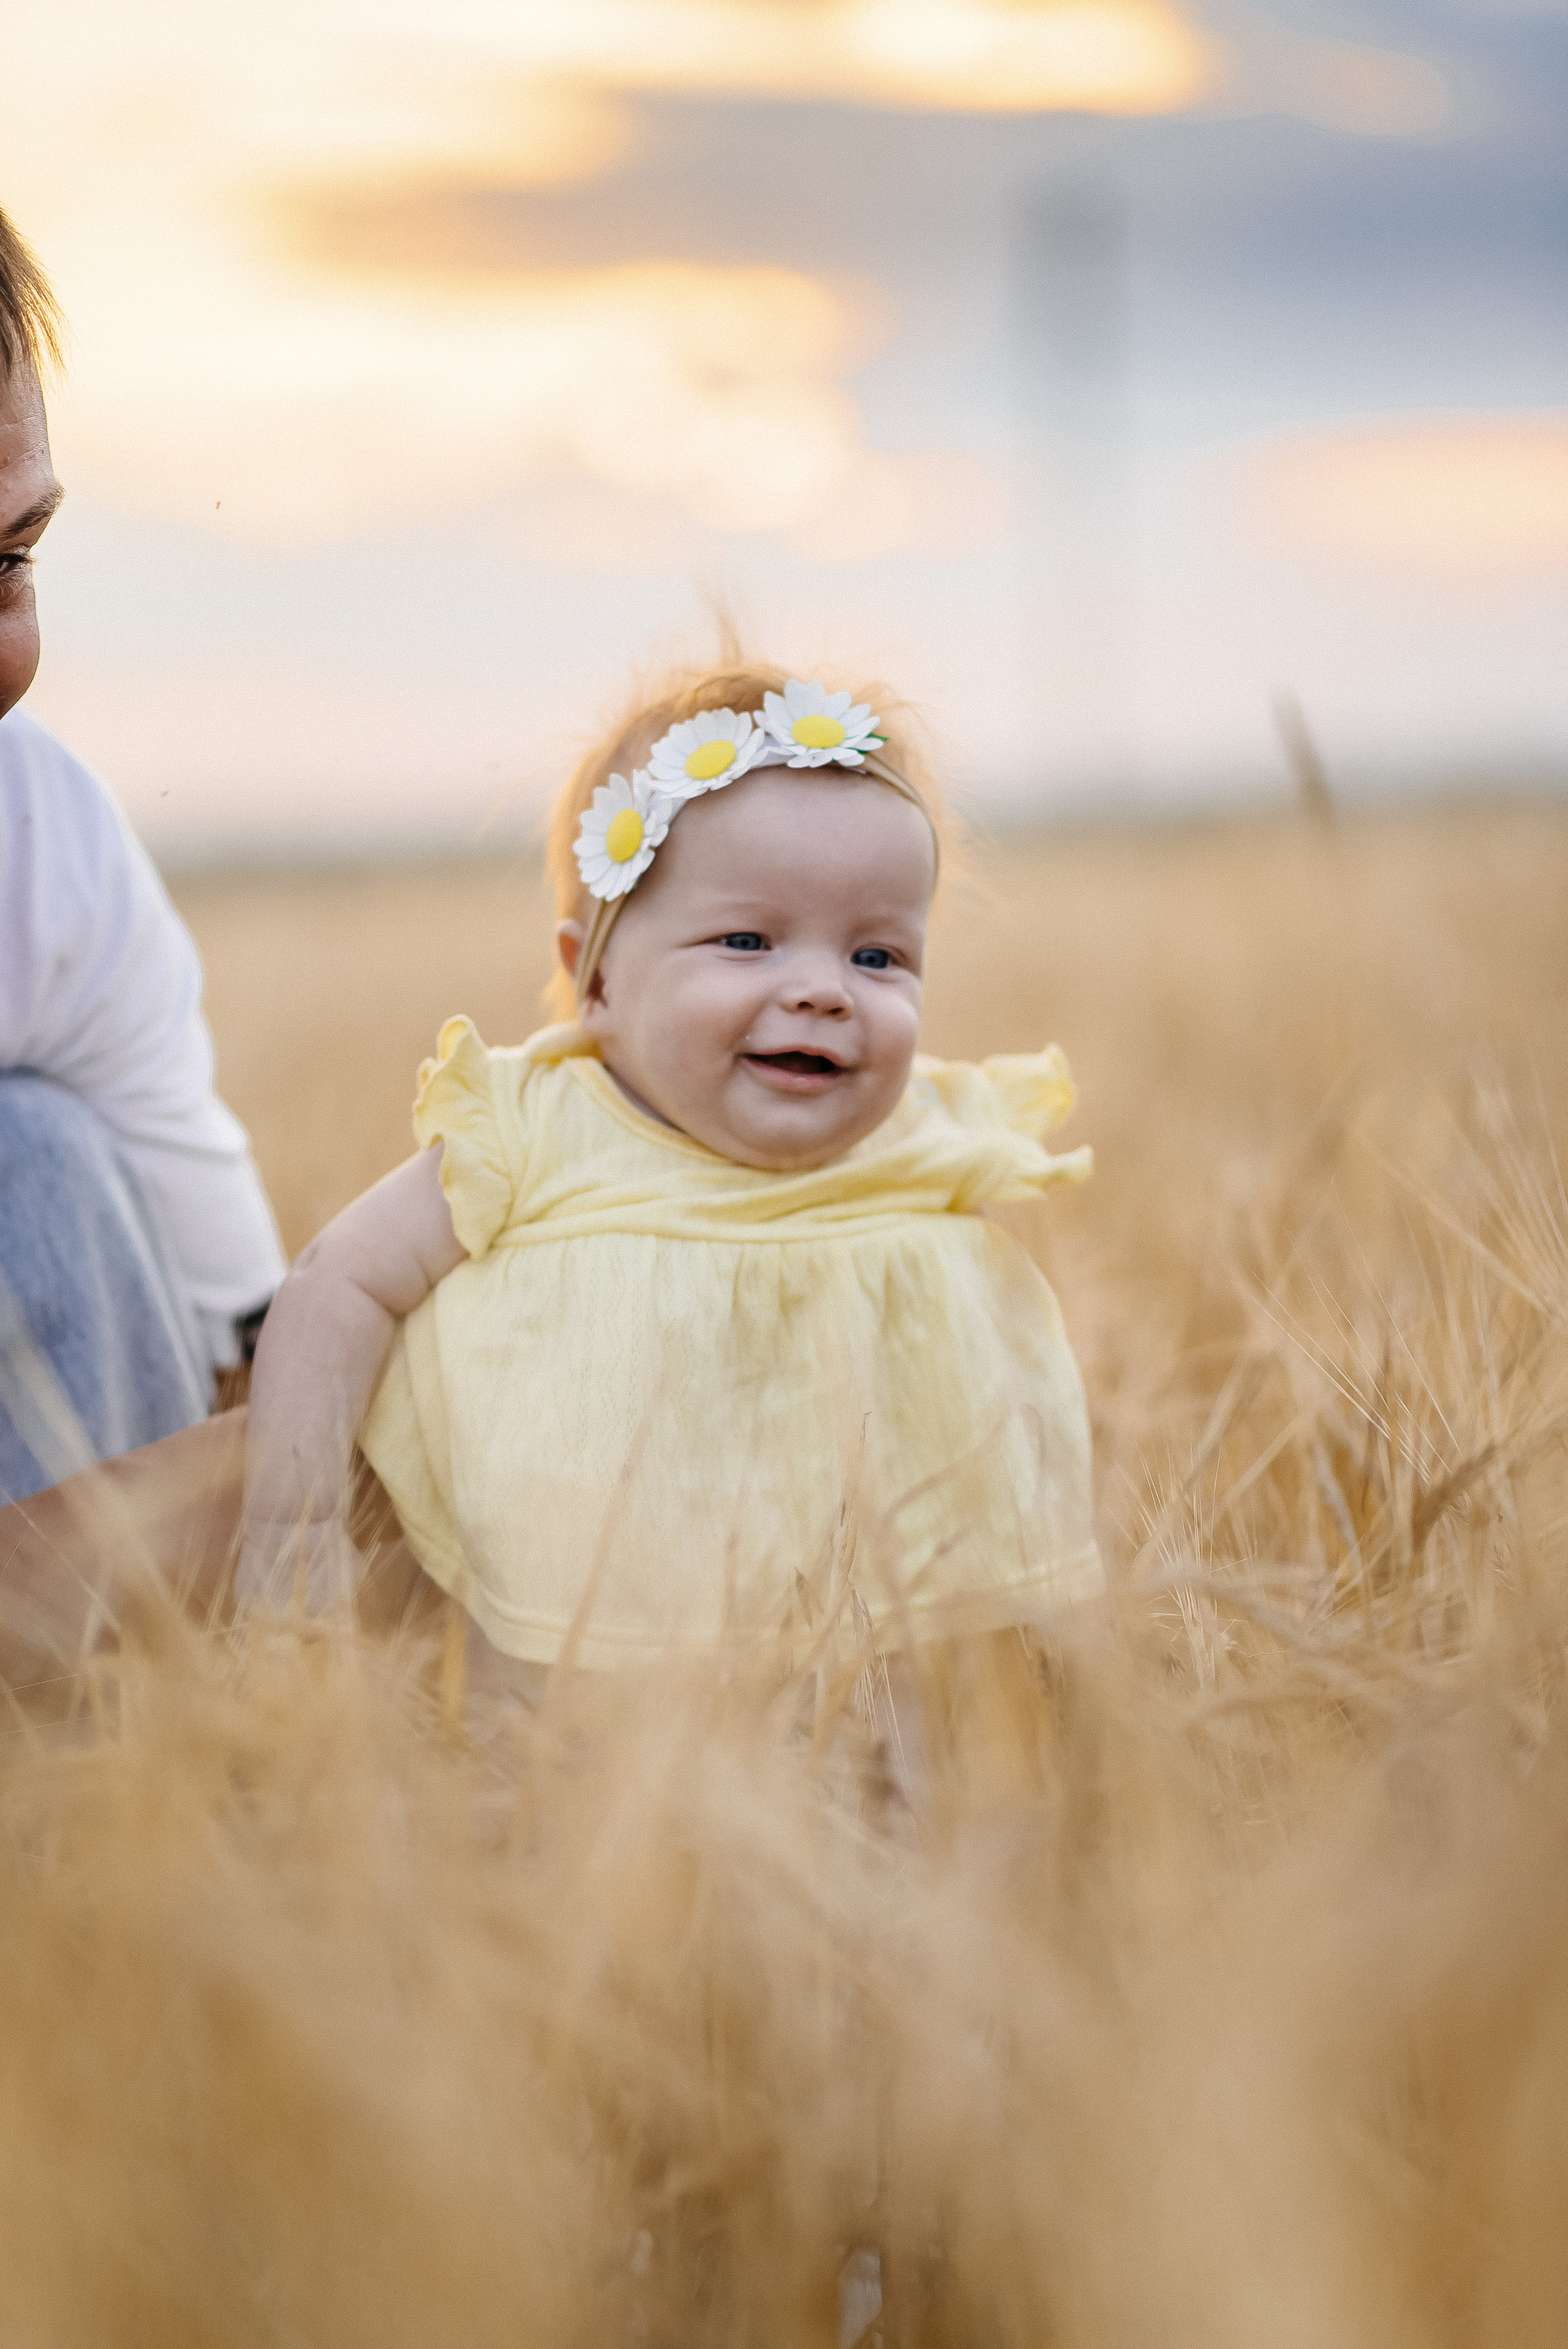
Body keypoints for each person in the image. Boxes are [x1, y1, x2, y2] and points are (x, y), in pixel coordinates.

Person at [239, 664, 1101, 1678]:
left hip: (866, 1642)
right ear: (594, 977)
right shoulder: (536, 1129)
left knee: (903, 1759)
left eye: (878, 957)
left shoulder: (922, 1139)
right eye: (747, 940)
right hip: (570, 1643)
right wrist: (292, 1531)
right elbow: (334, 1285)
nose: (823, 989)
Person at [0, 206, 285, 1503]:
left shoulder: (42, 844)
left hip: (43, 1593)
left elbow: (239, 1347)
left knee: (37, 1154)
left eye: (10, 560)